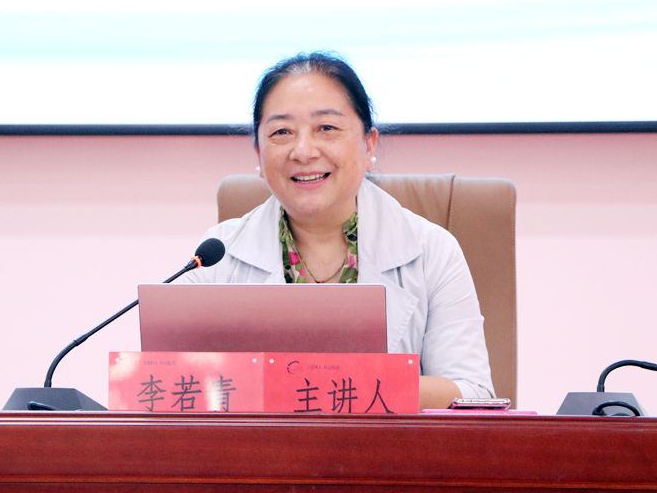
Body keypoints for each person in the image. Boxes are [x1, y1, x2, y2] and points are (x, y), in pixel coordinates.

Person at [183, 52, 494, 409]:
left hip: (391, 446)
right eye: (282, 132)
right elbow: (178, 387)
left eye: (326, 128)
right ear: (258, 152)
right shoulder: (216, 255)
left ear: (368, 143)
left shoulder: (432, 250)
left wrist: (335, 384)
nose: (303, 151)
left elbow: (472, 394)